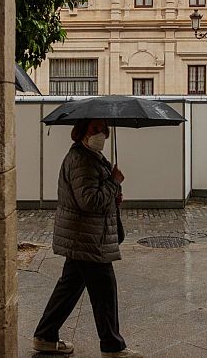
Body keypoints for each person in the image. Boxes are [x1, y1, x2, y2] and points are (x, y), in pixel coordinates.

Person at [33, 119, 142, 358]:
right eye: (94, 129)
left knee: (69, 287)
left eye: (103, 129)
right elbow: (89, 201)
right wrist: (114, 182)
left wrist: (113, 194)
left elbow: (94, 195)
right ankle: (112, 347)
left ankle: (45, 335)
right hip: (87, 237)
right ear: (82, 131)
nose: (100, 134)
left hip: (83, 236)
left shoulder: (90, 156)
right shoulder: (82, 160)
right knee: (104, 289)